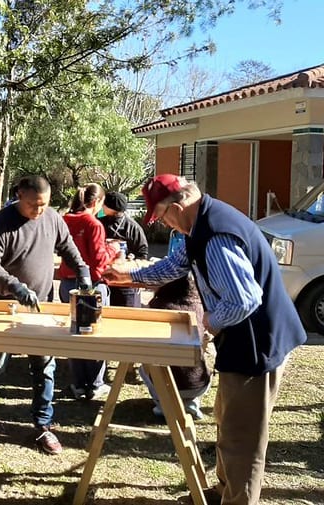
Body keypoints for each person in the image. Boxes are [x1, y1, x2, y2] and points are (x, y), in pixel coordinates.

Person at [104, 174, 307, 505]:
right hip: (242, 338)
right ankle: (222, 491)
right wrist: (130, 277)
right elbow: (177, 265)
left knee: (243, 438)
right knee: (226, 421)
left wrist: (208, 324)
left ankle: (237, 500)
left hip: (257, 343)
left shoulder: (214, 236)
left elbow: (244, 301)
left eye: (164, 216)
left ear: (179, 206)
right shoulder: (201, 223)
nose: (165, 224)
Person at [0, 175, 91, 455]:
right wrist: (13, 286)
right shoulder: (2, 221)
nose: (38, 210)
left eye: (44, 205)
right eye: (33, 205)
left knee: (44, 368)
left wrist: (82, 271)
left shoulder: (51, 218)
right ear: (19, 195)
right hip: (5, 306)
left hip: (42, 307)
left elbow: (68, 247)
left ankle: (43, 425)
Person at [58, 183, 119, 400]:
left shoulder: (65, 219)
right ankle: (95, 383)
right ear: (97, 203)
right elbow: (98, 261)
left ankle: (78, 383)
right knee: (95, 333)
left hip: (66, 282)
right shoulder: (93, 224)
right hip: (92, 284)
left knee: (74, 332)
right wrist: (114, 249)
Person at [138, 274, 212, 420]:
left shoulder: (158, 307)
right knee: (198, 357)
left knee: (145, 365)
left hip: (166, 383)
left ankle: (164, 404)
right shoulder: (200, 306)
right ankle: (190, 402)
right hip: (198, 383)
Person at [98, 191, 148, 308]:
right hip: (102, 280)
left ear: (110, 207)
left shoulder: (132, 227)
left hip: (125, 282)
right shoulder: (99, 223)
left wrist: (131, 259)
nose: (102, 206)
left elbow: (142, 253)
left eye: (104, 204)